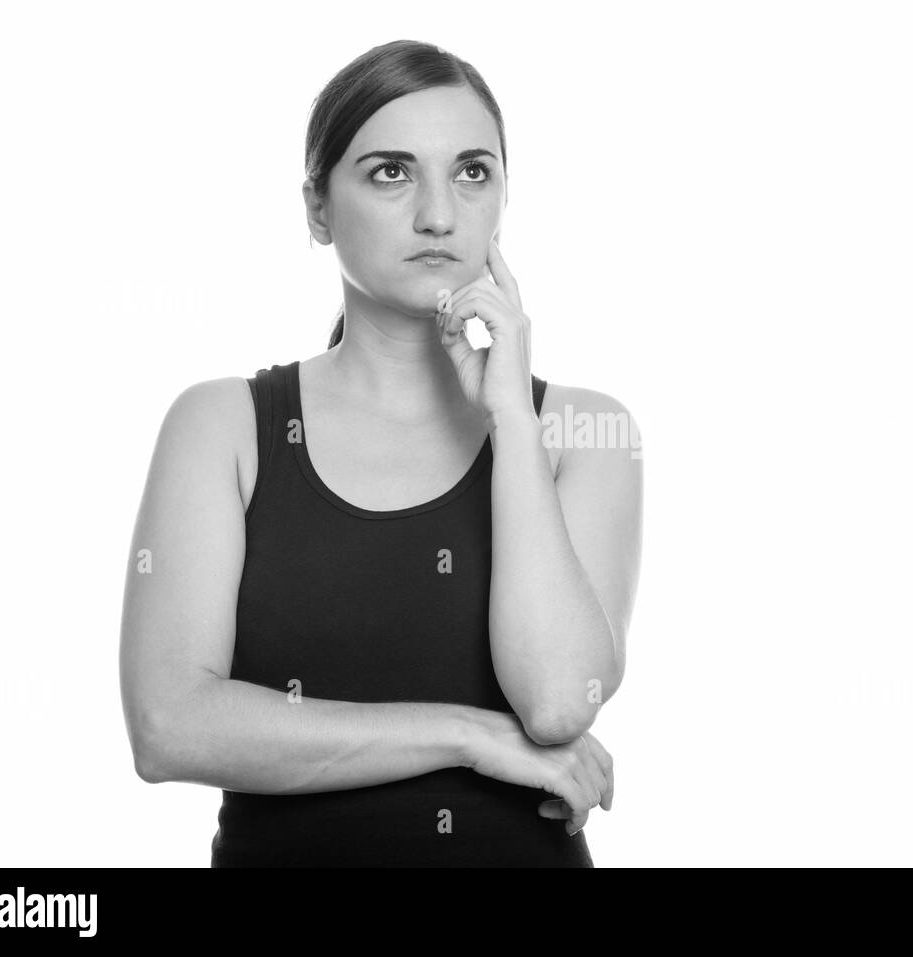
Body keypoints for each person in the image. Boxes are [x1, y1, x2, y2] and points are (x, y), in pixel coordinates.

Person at [118, 40, 643, 866]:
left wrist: (508, 413)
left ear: (505, 196)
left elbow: (552, 704)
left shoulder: (583, 429)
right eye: (391, 172)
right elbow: (167, 725)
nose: (439, 213)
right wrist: (464, 734)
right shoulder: (223, 425)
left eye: (472, 171)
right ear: (318, 210)